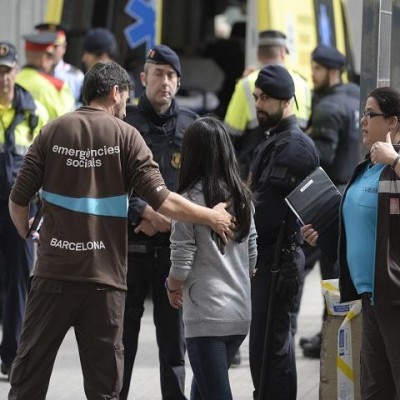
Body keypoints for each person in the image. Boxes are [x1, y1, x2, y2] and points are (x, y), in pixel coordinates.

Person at [7, 60, 234, 400]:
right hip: (104, 282)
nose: (127, 109)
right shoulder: (127, 137)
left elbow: (17, 199)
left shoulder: (53, 131)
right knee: (104, 389)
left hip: (52, 276)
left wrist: (28, 233)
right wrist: (210, 217)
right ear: (115, 93)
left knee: (28, 379)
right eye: (126, 99)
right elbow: (164, 202)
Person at [302, 86, 400, 399]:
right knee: (374, 387)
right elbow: (357, 229)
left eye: (370, 114)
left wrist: (395, 159)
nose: (362, 120)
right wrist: (324, 236)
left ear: (392, 122)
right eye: (363, 114)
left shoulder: (393, 165)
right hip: (370, 294)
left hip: (394, 295)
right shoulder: (366, 168)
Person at [120, 44, 197, 400]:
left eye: (170, 75)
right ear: (142, 79)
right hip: (131, 246)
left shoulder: (192, 128)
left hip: (173, 252)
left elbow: (200, 189)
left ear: (178, 82)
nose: (163, 82)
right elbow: (109, 181)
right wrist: (144, 211)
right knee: (121, 343)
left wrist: (166, 218)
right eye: (157, 74)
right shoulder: (124, 125)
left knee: (173, 345)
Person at [165, 116, 258, 400]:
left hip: (206, 316)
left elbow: (182, 258)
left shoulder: (189, 201)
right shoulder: (242, 197)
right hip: (239, 313)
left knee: (215, 393)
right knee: (202, 390)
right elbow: (253, 252)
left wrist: (172, 285)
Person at [248, 64, 319, 400]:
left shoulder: (293, 146)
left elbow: (266, 211)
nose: (258, 104)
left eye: (265, 98)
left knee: (271, 353)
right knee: (267, 348)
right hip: (268, 259)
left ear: (286, 100)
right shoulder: (274, 139)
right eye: (256, 97)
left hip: (278, 259)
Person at [299, 45, 360, 358]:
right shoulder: (358, 95)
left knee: (313, 265)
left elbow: (322, 157)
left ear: (331, 70)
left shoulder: (328, 107)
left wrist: (302, 138)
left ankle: (329, 337)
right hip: (355, 192)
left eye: (317, 69)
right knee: (339, 270)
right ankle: (331, 334)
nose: (313, 74)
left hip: (330, 196)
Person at [0, 42, 48, 379]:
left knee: (20, 282)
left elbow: (47, 164)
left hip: (20, 210)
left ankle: (12, 355)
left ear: (17, 71)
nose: (2, 78)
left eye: (6, 70)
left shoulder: (35, 112)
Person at [224, 29, 311, 179]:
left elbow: (229, 136)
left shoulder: (246, 84)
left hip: (253, 175)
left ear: (258, 54)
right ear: (283, 52)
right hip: (294, 173)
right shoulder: (303, 84)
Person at [16, 31, 74, 120]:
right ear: (44, 58)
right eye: (51, 56)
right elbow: (69, 122)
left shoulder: (13, 81)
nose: (52, 61)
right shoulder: (58, 86)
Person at [35, 22, 84, 107]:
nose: (50, 51)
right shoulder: (31, 74)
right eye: (45, 46)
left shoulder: (75, 77)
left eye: (55, 47)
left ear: (64, 47)